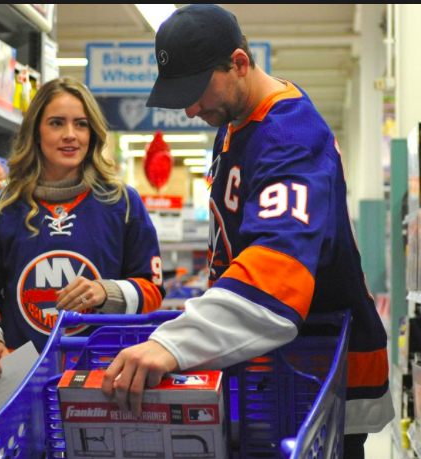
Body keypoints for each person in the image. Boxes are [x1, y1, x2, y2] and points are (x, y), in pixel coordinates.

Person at [101, 5, 394, 458]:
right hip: (272, 366)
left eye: (198, 90)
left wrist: (172, 343)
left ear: (239, 63)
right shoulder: (232, 124)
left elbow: (277, 277)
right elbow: (232, 245)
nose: (192, 108)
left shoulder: (290, 135)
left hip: (321, 374)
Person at [0, 77, 165, 381]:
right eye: (57, 123)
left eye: (81, 124)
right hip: (23, 378)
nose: (70, 135)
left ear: (93, 133)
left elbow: (153, 290)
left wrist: (105, 291)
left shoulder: (123, 204)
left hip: (103, 373)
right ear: (36, 132)